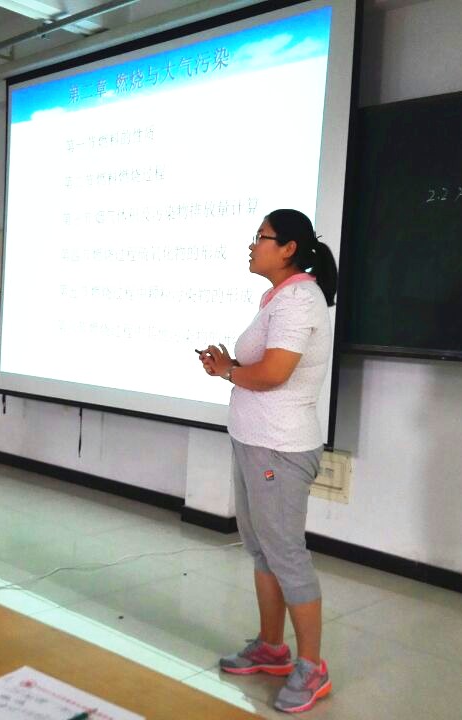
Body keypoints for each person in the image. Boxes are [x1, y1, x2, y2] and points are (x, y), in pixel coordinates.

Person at [198, 208, 337, 714]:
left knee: (286, 553)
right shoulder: (276, 297)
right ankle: (272, 649)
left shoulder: (300, 299)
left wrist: (228, 370)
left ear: (289, 248)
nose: (252, 245)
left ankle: (313, 668)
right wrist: (229, 367)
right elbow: (260, 368)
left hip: (280, 445)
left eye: (262, 237)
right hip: (253, 439)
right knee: (262, 550)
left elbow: (276, 373)